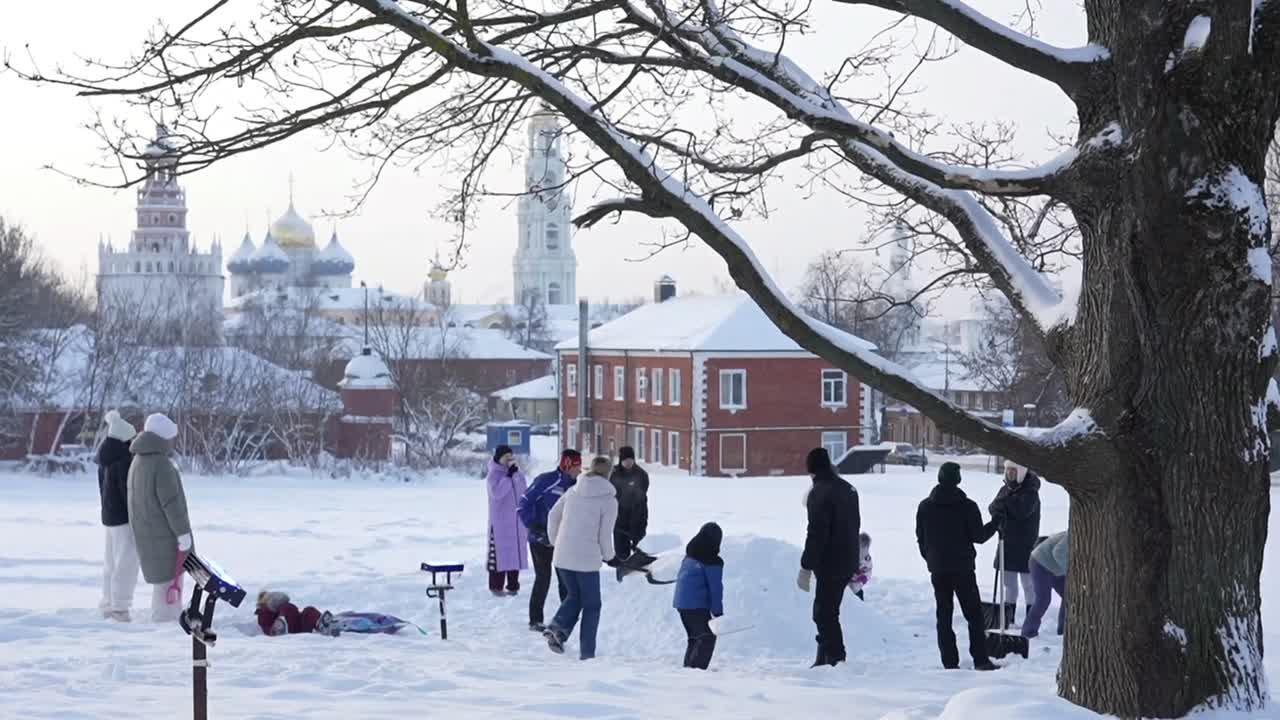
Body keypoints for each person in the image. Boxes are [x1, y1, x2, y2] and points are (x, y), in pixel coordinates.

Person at [915, 461, 1000, 671]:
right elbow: (979, 536)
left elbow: (921, 538)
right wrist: (996, 523)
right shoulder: (967, 506)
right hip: (963, 568)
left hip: (938, 569)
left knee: (943, 615)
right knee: (974, 614)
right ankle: (980, 659)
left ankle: (949, 662)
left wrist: (931, 559)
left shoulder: (925, 506)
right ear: (958, 480)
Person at [543, 456, 618, 660]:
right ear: (609, 473)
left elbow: (552, 516)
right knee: (592, 606)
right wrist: (610, 557)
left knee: (574, 596)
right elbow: (605, 535)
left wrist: (556, 542)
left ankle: (558, 631)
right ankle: (587, 653)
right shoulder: (609, 501)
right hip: (586, 560)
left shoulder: (572, 491)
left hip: (562, 556)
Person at [796, 447, 860, 668]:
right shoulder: (848, 488)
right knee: (827, 610)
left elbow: (816, 533)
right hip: (848, 558)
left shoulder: (819, 493)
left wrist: (806, 566)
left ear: (811, 470)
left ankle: (835, 659)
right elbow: (853, 525)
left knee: (824, 614)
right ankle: (823, 659)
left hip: (831, 562)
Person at [126, 413, 193, 623]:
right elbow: (172, 504)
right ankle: (166, 626)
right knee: (170, 582)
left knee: (162, 584)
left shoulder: (137, 461)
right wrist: (183, 534)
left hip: (147, 533)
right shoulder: (161, 465)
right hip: (166, 536)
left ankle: (161, 619)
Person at [519, 448, 582, 631]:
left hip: (562, 539)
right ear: (567, 465)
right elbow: (523, 504)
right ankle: (535, 620)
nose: (579, 470)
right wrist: (534, 526)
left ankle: (567, 617)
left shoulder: (577, 487)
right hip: (540, 539)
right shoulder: (546, 480)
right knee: (543, 578)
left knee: (566, 578)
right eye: (577, 466)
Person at [97, 410, 140, 622]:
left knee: (111, 562)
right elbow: (128, 493)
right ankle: (120, 608)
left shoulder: (104, 458)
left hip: (109, 516)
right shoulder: (124, 460)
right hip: (124, 518)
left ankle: (108, 603)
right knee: (126, 562)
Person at [989, 460, 1042, 621]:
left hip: (1026, 545)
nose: (1010, 473)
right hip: (1006, 543)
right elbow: (993, 507)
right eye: (1008, 470)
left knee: (1029, 585)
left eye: (1014, 470)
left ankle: (1031, 620)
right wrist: (1003, 507)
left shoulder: (1031, 492)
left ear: (1021, 473)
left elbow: (1021, 512)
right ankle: (1008, 618)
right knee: (1009, 585)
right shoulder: (1005, 489)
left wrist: (1004, 505)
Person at [673, 522, 725, 670]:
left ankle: (688, 669)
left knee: (695, 638)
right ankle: (695, 673)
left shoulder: (690, 555)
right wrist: (718, 613)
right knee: (707, 638)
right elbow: (715, 589)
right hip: (696, 605)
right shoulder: (711, 561)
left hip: (682, 604)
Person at [486, 445, 529, 596]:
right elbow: (497, 493)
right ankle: (496, 586)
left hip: (516, 522)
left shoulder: (517, 474)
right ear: (499, 458)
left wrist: (515, 475)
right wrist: (508, 478)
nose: (509, 460)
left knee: (514, 553)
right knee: (500, 554)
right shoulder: (493, 475)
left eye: (511, 457)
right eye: (506, 457)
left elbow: (524, 491)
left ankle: (513, 585)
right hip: (500, 523)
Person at [1022, 531, 1069, 639]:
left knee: (1068, 595)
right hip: (1040, 563)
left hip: (1055, 567)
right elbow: (1058, 552)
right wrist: (1069, 570)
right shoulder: (1070, 536)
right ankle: (1028, 633)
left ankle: (1063, 631)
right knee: (1043, 600)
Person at [609, 446, 650, 564]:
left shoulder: (641, 474)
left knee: (640, 553)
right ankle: (622, 570)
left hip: (638, 519)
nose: (628, 463)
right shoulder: (613, 474)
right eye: (625, 460)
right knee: (621, 554)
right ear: (621, 460)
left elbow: (642, 496)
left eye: (630, 460)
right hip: (619, 520)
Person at [256, 591, 337, 636]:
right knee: (287, 608)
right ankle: (280, 626)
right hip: (283, 632)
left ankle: (322, 625)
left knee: (308, 610)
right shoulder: (262, 612)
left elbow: (297, 616)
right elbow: (265, 626)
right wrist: (273, 631)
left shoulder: (283, 606)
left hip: (297, 627)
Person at [848, 531, 873, 601]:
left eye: (866, 549)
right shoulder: (851, 554)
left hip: (858, 580)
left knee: (856, 590)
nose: (864, 552)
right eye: (861, 548)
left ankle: (859, 603)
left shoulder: (867, 559)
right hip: (848, 578)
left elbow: (868, 570)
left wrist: (864, 577)